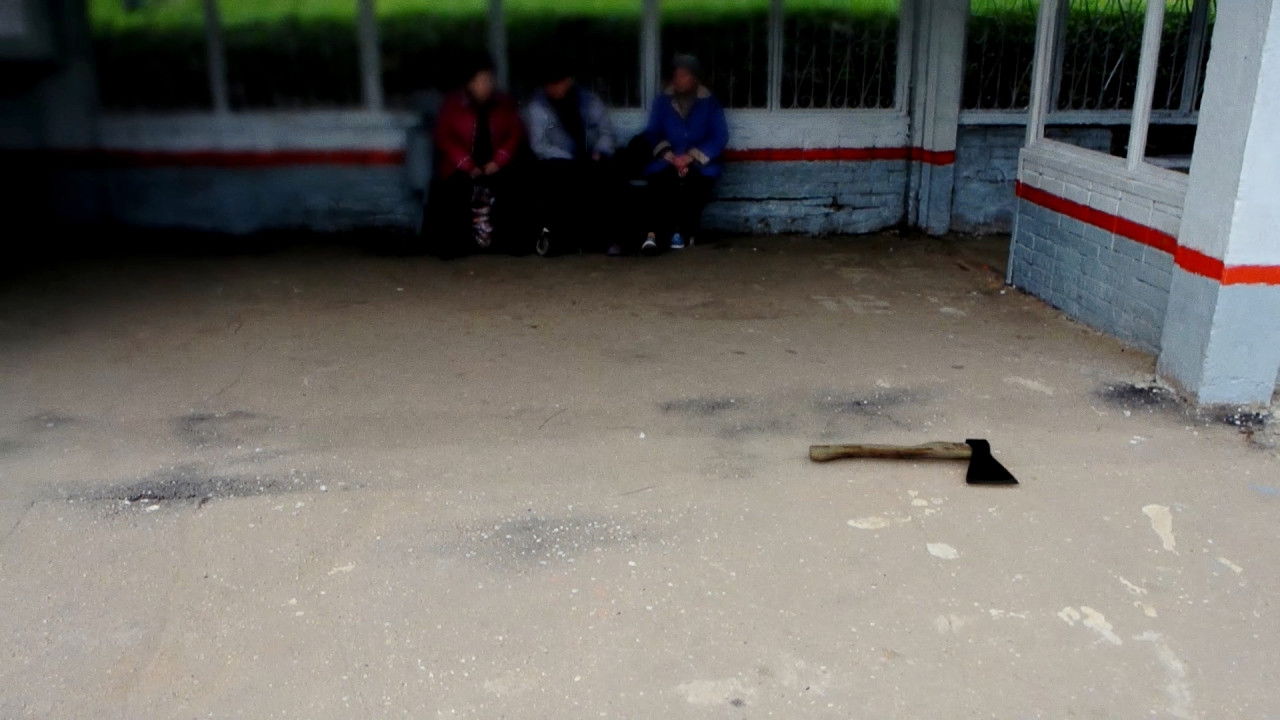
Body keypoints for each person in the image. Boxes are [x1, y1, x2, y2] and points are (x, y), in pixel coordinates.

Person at [425, 57, 524, 257]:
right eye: (482, 81)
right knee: (454, 190)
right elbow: (444, 137)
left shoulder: (503, 103)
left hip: (495, 163)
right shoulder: (453, 105)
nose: (487, 85)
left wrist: (499, 160)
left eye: (490, 80)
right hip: (460, 166)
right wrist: (467, 164)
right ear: (470, 83)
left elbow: (515, 132)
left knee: (513, 186)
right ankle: (458, 245)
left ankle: (506, 243)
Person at [522, 61, 622, 255]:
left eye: (558, 83)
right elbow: (539, 145)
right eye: (550, 84)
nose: (554, 88)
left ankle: (609, 239)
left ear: (568, 81)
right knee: (560, 175)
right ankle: (565, 240)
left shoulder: (589, 101)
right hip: (559, 160)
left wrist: (600, 151)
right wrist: (569, 158)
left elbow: (606, 132)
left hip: (591, 156)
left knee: (610, 172)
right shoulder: (538, 107)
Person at [640, 54, 729, 253]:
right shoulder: (662, 101)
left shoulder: (710, 103)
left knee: (693, 186)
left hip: (701, 164)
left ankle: (683, 233)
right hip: (668, 161)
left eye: (684, 75)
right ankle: (655, 236)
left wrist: (691, 157)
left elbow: (719, 136)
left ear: (695, 78)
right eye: (676, 75)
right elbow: (653, 132)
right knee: (660, 186)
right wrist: (671, 156)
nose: (678, 79)